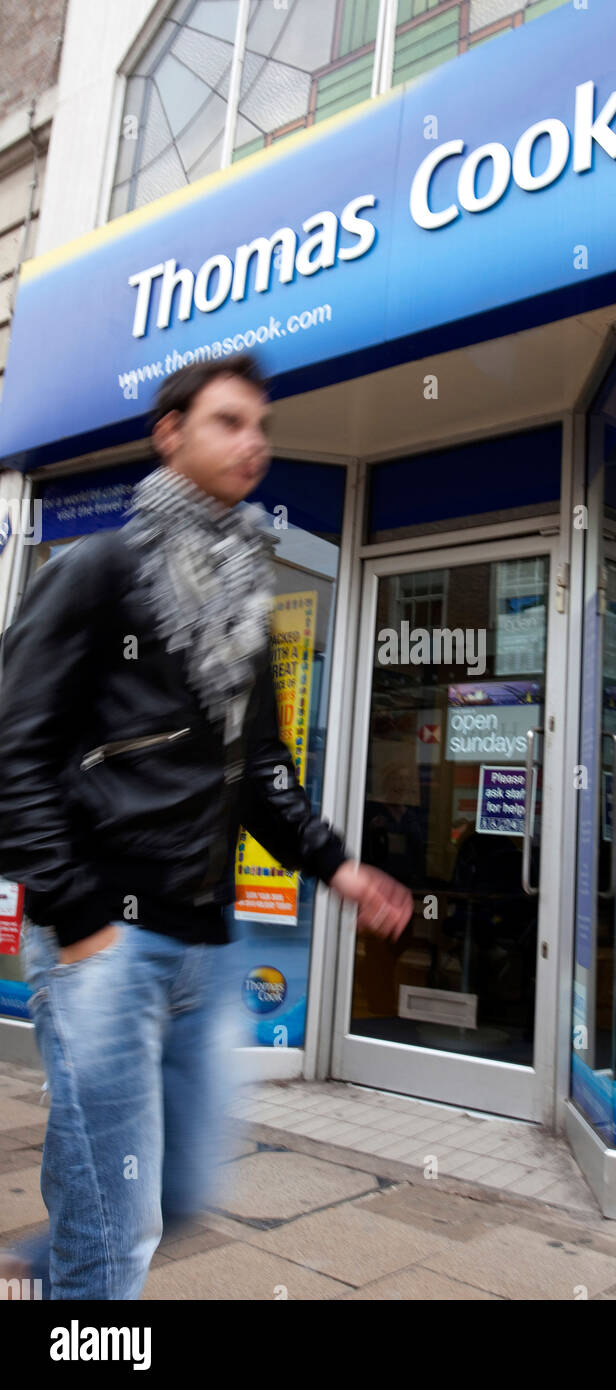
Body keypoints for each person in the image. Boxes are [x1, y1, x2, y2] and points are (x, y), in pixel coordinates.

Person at [0, 354, 412, 1299]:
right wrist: (82, 918)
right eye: (229, 421)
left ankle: (41, 1278)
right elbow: (13, 756)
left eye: (260, 425)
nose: (253, 443)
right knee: (122, 1221)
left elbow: (261, 769)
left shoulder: (241, 601)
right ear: (170, 433)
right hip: (107, 937)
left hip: (203, 941)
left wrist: (336, 866)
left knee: (178, 1190)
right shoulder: (97, 573)